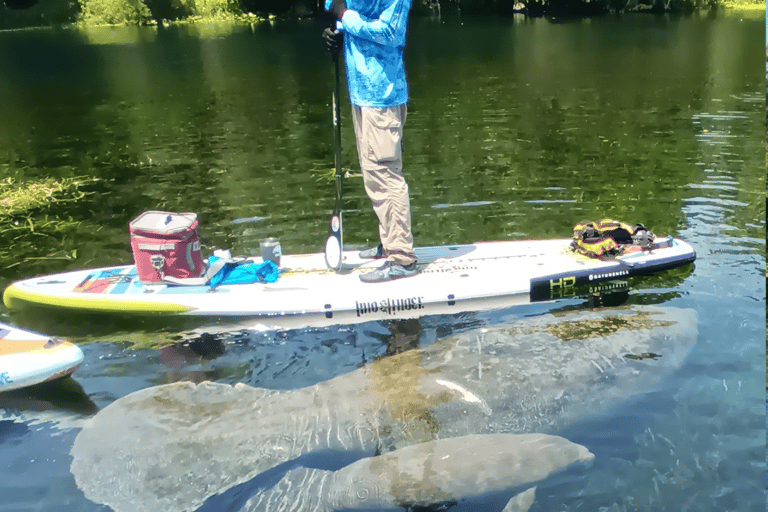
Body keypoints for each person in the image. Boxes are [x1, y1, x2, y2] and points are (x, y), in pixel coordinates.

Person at [322, 0, 418, 283]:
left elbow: (390, 32)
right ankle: (390, 242)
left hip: (383, 95)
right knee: (373, 175)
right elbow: (337, 5)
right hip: (361, 93)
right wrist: (333, 30)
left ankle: (402, 258)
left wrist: (345, 17)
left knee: (386, 175)